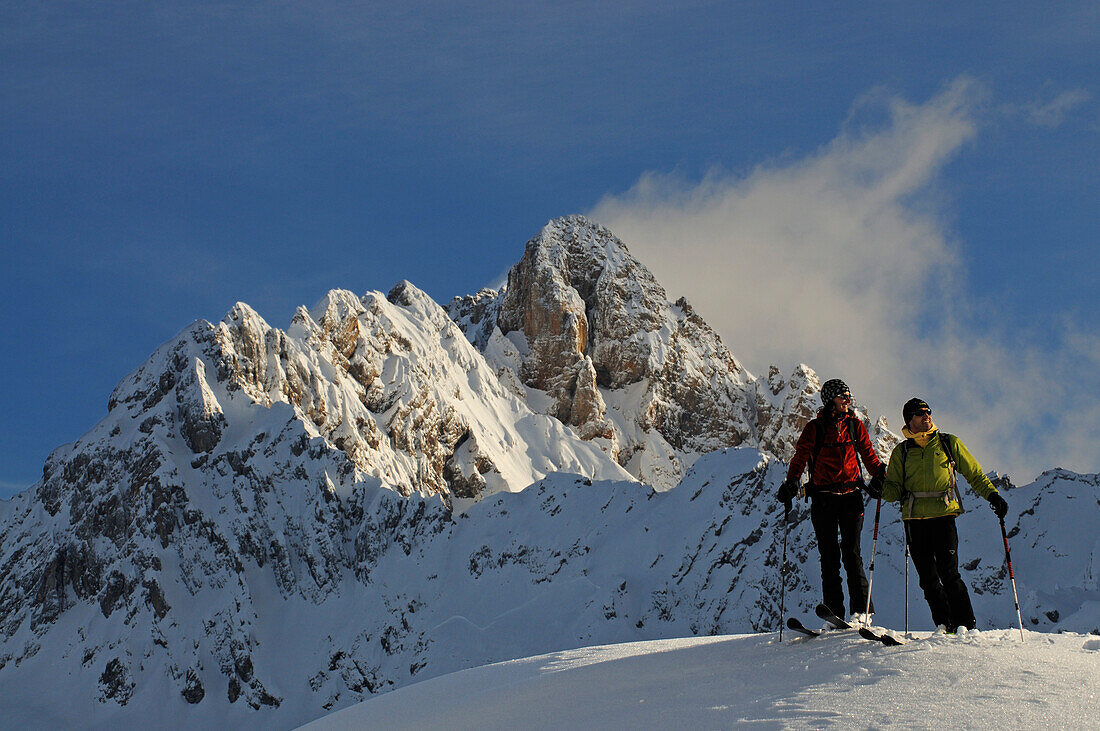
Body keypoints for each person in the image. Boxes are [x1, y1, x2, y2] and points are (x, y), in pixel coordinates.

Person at [880, 397, 1008, 633]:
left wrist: (993, 496)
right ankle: (945, 626)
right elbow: (894, 490)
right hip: (914, 520)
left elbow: (975, 474)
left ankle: (966, 626)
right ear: (910, 420)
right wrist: (880, 486)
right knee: (928, 579)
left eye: (928, 411)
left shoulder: (948, 443)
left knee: (949, 573)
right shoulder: (902, 452)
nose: (926, 416)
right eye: (920, 413)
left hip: (943, 516)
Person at [777, 378, 886, 621]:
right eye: (841, 396)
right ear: (830, 401)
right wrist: (792, 482)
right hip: (823, 500)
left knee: (852, 554)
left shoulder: (855, 426)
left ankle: (862, 613)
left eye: (848, 395)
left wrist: (881, 475)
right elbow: (800, 457)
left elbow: (869, 456)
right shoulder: (814, 429)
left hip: (851, 498)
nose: (847, 399)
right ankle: (835, 613)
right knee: (829, 558)